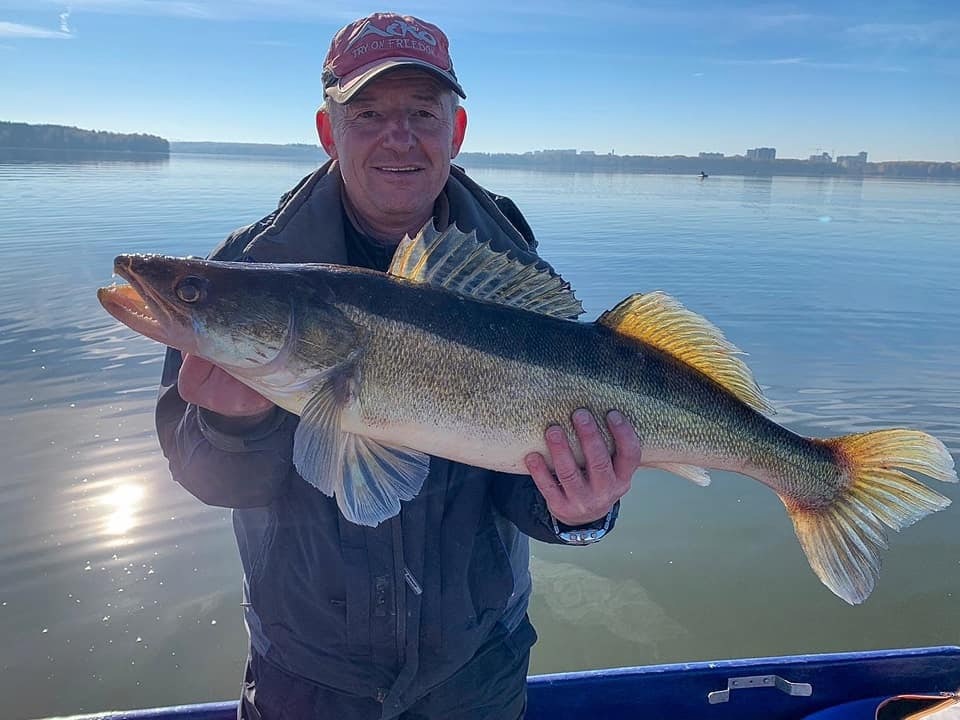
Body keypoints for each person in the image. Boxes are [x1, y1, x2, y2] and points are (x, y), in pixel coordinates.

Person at [155, 12, 642, 720]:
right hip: (306, 671)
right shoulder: (241, 277)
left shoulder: (515, 273)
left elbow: (530, 487)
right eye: (369, 113)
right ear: (329, 131)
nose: (399, 136)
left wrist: (584, 510)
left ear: (457, 131)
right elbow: (209, 480)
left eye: (422, 112)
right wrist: (232, 428)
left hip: (476, 667)